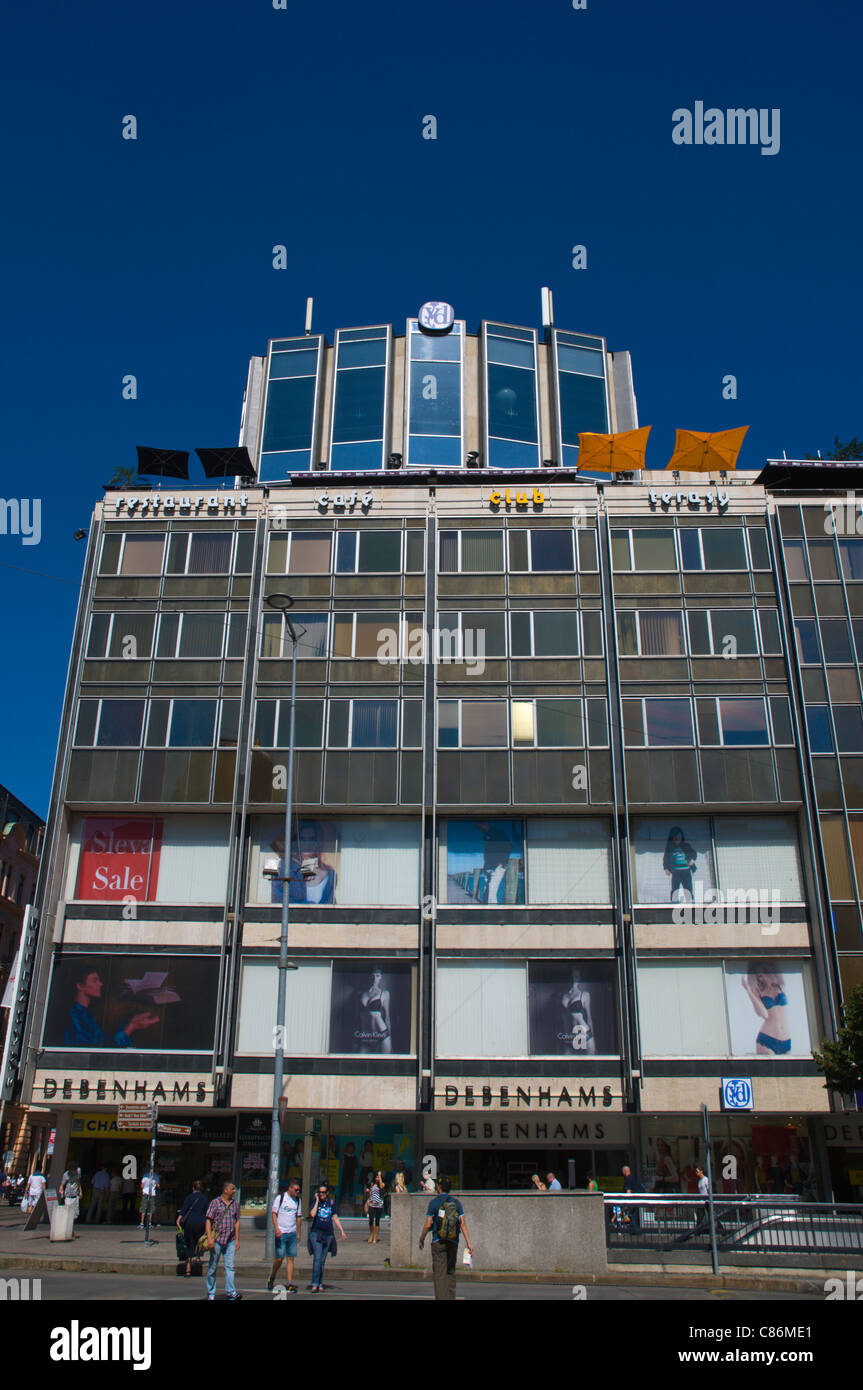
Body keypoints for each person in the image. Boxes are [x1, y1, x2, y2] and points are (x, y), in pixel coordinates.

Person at [63, 968, 159, 1048]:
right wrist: (131, 1027)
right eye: (95, 980)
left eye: (99, 980)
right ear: (80, 986)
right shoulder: (75, 1016)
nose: (100, 984)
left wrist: (131, 1024)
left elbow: (105, 1042)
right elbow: (95, 1054)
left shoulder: (86, 1014)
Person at [419, 1179, 474, 1301]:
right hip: (453, 1241)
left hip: (438, 1241)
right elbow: (462, 1224)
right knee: (450, 1272)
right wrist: (469, 1243)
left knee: (440, 1274)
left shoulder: (434, 1203)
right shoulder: (456, 1203)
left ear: (439, 1187)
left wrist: (421, 1238)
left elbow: (428, 1224)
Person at [742, 963, 792, 1055]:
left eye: (765, 972)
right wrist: (749, 991)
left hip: (786, 1040)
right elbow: (764, 1014)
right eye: (759, 976)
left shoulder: (780, 985)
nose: (763, 977)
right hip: (767, 1040)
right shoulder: (758, 993)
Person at [205, 1181, 242, 1301]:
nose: (234, 1191)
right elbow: (208, 1220)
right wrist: (210, 1238)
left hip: (230, 1240)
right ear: (226, 1190)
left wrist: (237, 1239)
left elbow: (237, 1221)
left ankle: (231, 1292)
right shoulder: (215, 1203)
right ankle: (211, 1293)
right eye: (232, 1189)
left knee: (230, 1267)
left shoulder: (235, 1204)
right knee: (213, 1266)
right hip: (217, 1240)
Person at [307, 1182, 347, 1292]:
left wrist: (342, 1231)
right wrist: (316, 1201)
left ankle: (320, 1283)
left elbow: (335, 1217)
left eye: (323, 1192)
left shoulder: (331, 1203)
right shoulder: (316, 1202)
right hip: (316, 1233)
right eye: (320, 1192)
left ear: (327, 1193)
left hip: (328, 1234)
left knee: (322, 1260)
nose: (321, 1194)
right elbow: (313, 1214)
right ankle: (314, 1283)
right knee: (317, 1258)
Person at [268, 1178, 301, 1293]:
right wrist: (276, 1228)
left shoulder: (297, 1200)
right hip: (281, 1232)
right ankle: (272, 1275)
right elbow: (274, 1213)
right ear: (290, 1188)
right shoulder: (280, 1198)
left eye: (298, 1190)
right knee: (279, 1258)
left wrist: (298, 1233)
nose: (297, 1192)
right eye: (296, 1190)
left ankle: (289, 1282)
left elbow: (298, 1217)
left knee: (291, 1258)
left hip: (291, 1232)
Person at [177, 1179, 209, 1277]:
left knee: (189, 1243)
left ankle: (188, 1268)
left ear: (193, 1188)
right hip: (201, 1223)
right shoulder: (204, 1199)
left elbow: (183, 1210)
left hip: (190, 1223)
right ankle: (198, 1258)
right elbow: (208, 1213)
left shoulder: (189, 1197)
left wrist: (178, 1221)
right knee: (199, 1241)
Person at [561, 970, 596, 1054]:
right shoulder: (564, 996)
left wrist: (593, 1036)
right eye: (572, 977)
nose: (573, 979)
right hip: (570, 1034)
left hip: (584, 1031)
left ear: (579, 978)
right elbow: (563, 1018)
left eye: (576, 977)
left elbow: (589, 1017)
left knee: (591, 1060)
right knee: (568, 1062)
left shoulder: (584, 995)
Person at [359, 969, 392, 1055]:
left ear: (380, 978)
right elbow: (359, 1017)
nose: (374, 978)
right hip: (366, 1035)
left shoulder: (384, 994)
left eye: (377, 976)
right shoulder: (362, 994)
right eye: (373, 976)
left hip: (381, 1033)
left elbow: (387, 1017)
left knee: (384, 1065)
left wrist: (390, 1037)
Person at [663, 826, 697, 902]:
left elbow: (693, 853)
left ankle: (690, 901)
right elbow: (666, 858)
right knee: (675, 888)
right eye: (675, 838)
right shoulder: (670, 848)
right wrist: (666, 868)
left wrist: (692, 860)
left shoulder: (686, 846)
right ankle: (674, 902)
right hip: (676, 872)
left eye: (679, 837)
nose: (677, 839)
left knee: (688, 887)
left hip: (686, 871)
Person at [366, 1170, 385, 1243]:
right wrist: (368, 1192)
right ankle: (371, 1234)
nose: (377, 1178)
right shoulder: (372, 1184)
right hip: (372, 1204)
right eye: (376, 1177)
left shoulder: (382, 1184)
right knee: (371, 1220)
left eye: (378, 1177)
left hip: (379, 1205)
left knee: (377, 1221)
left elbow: (381, 1186)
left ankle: (375, 1237)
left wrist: (380, 1176)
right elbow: (370, 1192)